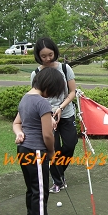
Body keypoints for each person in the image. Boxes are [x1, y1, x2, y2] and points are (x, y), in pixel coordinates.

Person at [13, 67, 68, 215]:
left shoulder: (25, 98)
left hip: (23, 150)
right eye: (53, 91)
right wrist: (51, 153)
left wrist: (19, 133)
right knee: (41, 191)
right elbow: (47, 134)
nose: (51, 96)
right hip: (37, 151)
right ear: (48, 86)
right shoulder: (42, 102)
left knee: (32, 189)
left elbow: (18, 123)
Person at [31, 37, 78, 194]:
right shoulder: (36, 74)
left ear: (55, 52)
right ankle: (58, 181)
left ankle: (60, 172)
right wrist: (49, 115)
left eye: (50, 55)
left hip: (66, 113)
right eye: (43, 56)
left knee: (70, 144)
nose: (48, 59)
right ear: (38, 56)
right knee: (53, 148)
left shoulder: (65, 69)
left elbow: (72, 92)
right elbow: (36, 97)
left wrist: (60, 108)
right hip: (46, 116)